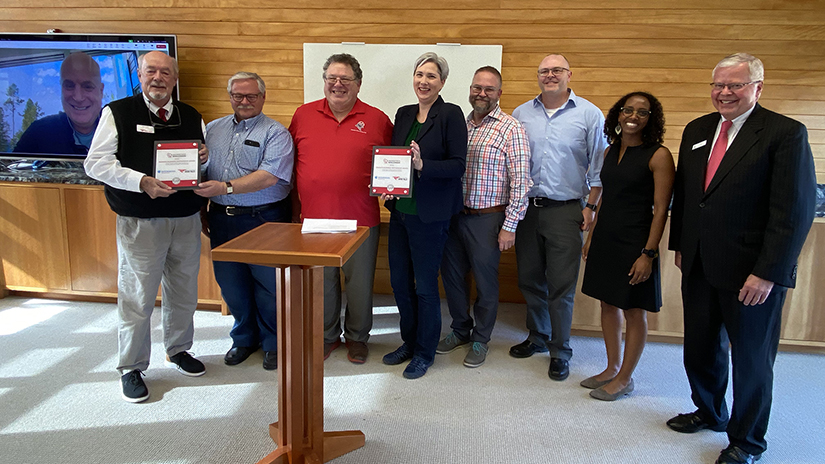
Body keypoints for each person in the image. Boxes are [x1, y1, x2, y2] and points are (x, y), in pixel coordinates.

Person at [667, 53, 815, 464]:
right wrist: (680, 243)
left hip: (751, 272)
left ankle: (746, 441)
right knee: (699, 348)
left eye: (736, 84)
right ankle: (710, 411)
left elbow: (793, 211)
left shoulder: (785, 133)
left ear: (757, 87)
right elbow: (688, 194)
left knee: (751, 358)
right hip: (697, 263)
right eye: (718, 84)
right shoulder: (698, 129)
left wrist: (768, 273)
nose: (725, 92)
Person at [84, 51, 209, 403]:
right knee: (138, 297)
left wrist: (203, 156)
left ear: (175, 77)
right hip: (140, 221)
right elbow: (95, 164)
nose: (158, 78)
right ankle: (132, 366)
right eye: (151, 71)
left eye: (165, 72)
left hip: (185, 219)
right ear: (140, 75)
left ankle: (179, 349)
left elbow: (201, 159)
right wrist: (141, 182)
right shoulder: (118, 113)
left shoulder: (191, 114)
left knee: (184, 291)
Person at [289, 54, 393, 364]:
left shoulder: (377, 119)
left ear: (358, 84)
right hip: (314, 219)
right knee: (323, 283)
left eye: (345, 79)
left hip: (361, 218)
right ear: (323, 82)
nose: (338, 84)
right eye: (332, 78)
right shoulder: (302, 115)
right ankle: (327, 336)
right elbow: (289, 163)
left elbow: (391, 162)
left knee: (360, 285)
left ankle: (358, 338)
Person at [510, 54, 607, 381]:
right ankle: (537, 337)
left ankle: (560, 350)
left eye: (556, 70)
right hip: (527, 210)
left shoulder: (589, 114)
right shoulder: (521, 114)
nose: (550, 75)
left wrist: (590, 207)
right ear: (538, 76)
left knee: (561, 286)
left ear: (569, 75)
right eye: (544, 71)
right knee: (529, 278)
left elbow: (599, 169)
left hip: (567, 210)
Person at [579, 92, 675, 401]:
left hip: (636, 241)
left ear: (651, 119)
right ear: (618, 114)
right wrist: (592, 235)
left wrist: (648, 254)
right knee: (608, 303)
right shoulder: (610, 151)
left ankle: (625, 378)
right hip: (607, 236)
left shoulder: (658, 155)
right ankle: (611, 367)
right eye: (628, 110)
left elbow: (660, 210)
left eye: (642, 112)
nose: (633, 116)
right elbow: (607, 194)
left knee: (634, 310)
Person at [196, 72, 294, 371]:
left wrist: (225, 188)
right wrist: (202, 208)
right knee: (231, 286)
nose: (244, 101)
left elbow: (269, 176)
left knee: (269, 288)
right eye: (238, 95)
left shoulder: (276, 133)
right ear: (230, 97)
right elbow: (201, 171)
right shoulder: (212, 129)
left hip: (264, 219)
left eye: (251, 96)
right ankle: (243, 339)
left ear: (263, 98)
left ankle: (274, 343)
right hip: (222, 220)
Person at [437, 66, 531, 368]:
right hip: (454, 216)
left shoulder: (511, 128)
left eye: (489, 89)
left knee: (486, 284)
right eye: (477, 87)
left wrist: (510, 226)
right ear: (470, 89)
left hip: (488, 219)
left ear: (499, 94)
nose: (482, 93)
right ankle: (460, 330)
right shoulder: (458, 126)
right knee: (453, 279)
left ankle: (481, 338)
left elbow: (521, 181)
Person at [382, 52, 467, 379]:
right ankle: (408, 342)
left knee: (425, 288)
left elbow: (458, 165)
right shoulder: (403, 114)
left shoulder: (451, 114)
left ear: (442, 82)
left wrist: (422, 165)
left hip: (430, 215)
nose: (424, 81)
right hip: (401, 212)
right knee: (400, 284)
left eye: (432, 76)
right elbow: (394, 159)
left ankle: (424, 352)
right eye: (420, 74)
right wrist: (389, 183)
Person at [14, 51, 104, 155]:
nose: (78, 97)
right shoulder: (39, 132)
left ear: (101, 91)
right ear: (61, 89)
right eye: (69, 86)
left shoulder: (120, 130)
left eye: (87, 86)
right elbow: (10, 168)